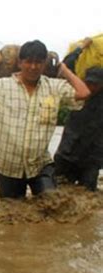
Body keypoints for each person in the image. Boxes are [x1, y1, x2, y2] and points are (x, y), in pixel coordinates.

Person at [0, 40, 90, 199]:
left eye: (38, 62)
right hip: (8, 166)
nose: (33, 67)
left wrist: (64, 70)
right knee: (11, 213)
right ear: (20, 63)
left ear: (44, 64)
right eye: (29, 62)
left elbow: (84, 93)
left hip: (40, 165)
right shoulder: (3, 86)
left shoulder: (54, 87)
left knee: (53, 205)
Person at [54, 37, 103, 191]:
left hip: (91, 160)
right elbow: (66, 66)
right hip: (67, 154)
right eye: (88, 83)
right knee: (56, 195)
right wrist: (81, 47)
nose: (91, 87)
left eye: (95, 84)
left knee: (87, 199)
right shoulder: (78, 93)